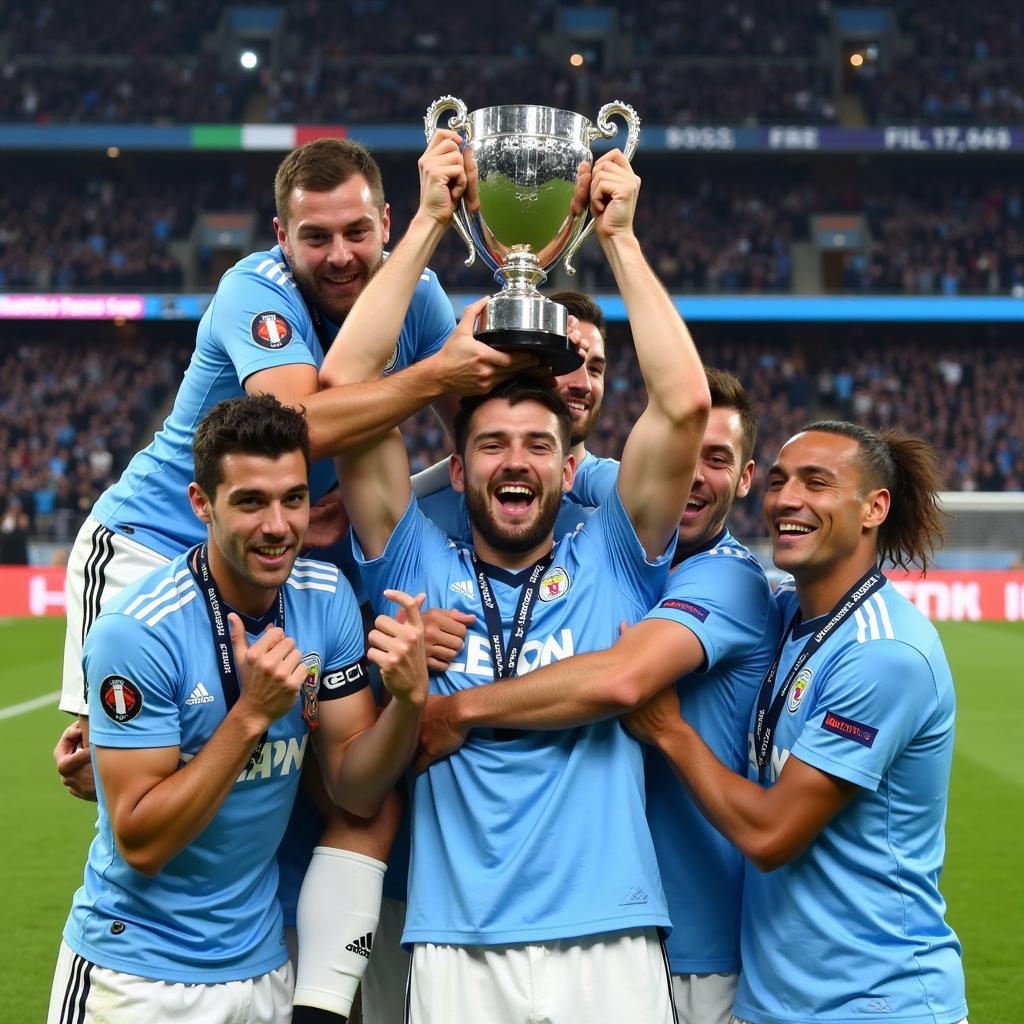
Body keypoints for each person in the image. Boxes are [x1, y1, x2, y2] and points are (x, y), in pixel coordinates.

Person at [52, 131, 527, 1021]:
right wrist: (430, 375)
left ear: (388, 224)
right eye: (317, 237)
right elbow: (297, 423)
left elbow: (483, 417)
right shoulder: (254, 289)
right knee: (106, 770)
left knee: (341, 780)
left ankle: (308, 991)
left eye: (357, 232)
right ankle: (140, 944)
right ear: (282, 235)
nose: (340, 255)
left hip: (296, 559)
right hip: (158, 542)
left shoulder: (414, 290)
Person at [330, 147, 711, 1023]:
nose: (515, 461)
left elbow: (684, 404)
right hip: (457, 947)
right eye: (492, 445)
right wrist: (427, 221)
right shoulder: (417, 565)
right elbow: (346, 387)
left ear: (569, 461)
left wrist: (618, 239)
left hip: (609, 944)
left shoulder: (615, 551)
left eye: (538, 446)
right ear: (456, 466)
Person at [47, 394, 429, 1024]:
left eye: (294, 499)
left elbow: (356, 791)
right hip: (137, 974)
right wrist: (251, 716)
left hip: (262, 971)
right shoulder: (138, 631)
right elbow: (141, 841)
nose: (277, 526)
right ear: (202, 504)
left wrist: (407, 704)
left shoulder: (324, 598)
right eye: (250, 502)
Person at [416, 368, 780, 1024]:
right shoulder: (600, 506)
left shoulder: (723, 578)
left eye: (718, 459)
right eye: (687, 458)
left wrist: (457, 709)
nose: (695, 475)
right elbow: (516, 449)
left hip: (695, 942)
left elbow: (620, 678)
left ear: (747, 477)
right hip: (606, 919)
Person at [624, 422, 968, 1024]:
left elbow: (771, 835)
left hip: (878, 1004)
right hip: (775, 1002)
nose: (786, 500)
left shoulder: (884, 653)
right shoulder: (782, 615)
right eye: (779, 482)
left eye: (817, 483)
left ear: (874, 508)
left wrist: (669, 731)